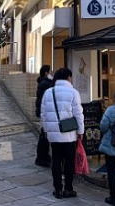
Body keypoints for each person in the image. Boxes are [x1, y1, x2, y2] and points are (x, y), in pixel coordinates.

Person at [40, 68, 85, 199]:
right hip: (69, 134)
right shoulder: (73, 92)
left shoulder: (48, 92)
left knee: (56, 161)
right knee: (69, 162)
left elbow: (43, 114)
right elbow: (78, 114)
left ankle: (58, 189)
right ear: (68, 77)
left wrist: (47, 130)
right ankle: (68, 189)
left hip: (54, 135)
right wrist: (81, 131)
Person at [35, 65, 54, 167]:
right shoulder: (46, 83)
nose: (52, 73)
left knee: (44, 136)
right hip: (45, 112)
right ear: (46, 73)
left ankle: (43, 157)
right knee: (44, 136)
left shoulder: (42, 82)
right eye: (50, 71)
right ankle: (42, 158)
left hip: (43, 112)